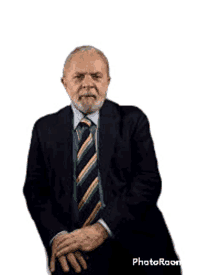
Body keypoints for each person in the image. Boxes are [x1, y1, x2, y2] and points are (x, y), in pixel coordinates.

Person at [23, 45, 182, 275]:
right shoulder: (44, 128)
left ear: (108, 81)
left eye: (96, 76)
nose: (88, 84)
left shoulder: (132, 120)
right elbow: (36, 191)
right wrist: (58, 237)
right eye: (78, 77)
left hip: (140, 247)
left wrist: (101, 229)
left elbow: (148, 182)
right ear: (64, 83)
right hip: (75, 252)